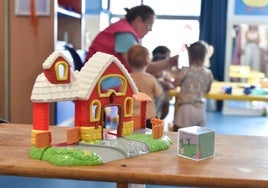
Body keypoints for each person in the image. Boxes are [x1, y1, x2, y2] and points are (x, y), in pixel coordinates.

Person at [85, 5, 178, 73]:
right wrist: (169, 62)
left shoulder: (124, 29)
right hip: (101, 83)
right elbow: (139, 67)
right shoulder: (125, 34)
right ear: (138, 20)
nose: (150, 29)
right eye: (150, 25)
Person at [172, 41, 214, 132]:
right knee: (197, 137)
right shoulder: (208, 73)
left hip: (186, 108)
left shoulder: (185, 70)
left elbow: (175, 84)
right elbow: (207, 90)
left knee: (178, 135)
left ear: (190, 56)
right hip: (200, 110)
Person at [128, 45, 163, 129]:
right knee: (150, 139)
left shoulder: (126, 79)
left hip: (130, 117)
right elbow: (160, 96)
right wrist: (156, 109)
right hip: (149, 116)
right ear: (148, 61)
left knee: (132, 139)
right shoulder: (151, 79)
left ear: (128, 61)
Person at [151, 46, 175, 119]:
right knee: (155, 113)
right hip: (155, 100)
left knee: (164, 111)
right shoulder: (151, 76)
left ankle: (158, 121)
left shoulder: (164, 74)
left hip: (163, 97)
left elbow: (171, 82)